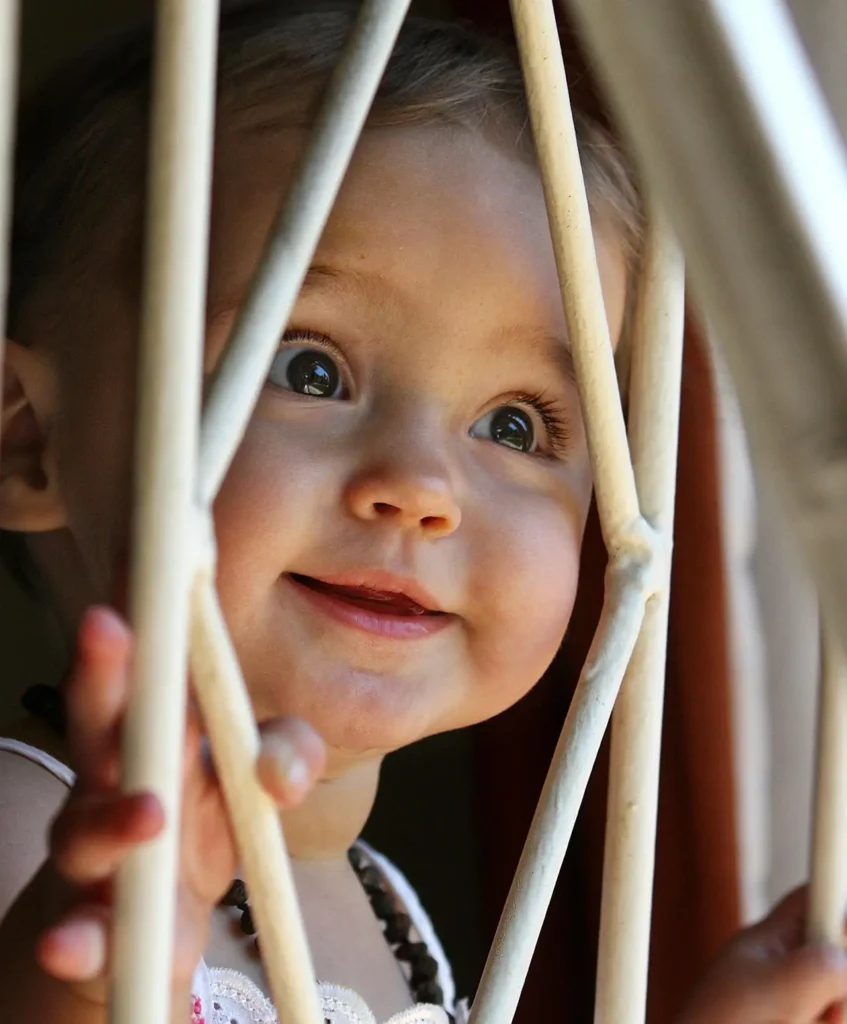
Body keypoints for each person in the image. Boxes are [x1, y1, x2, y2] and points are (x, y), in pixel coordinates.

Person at [0, 3, 844, 1022]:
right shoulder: (38, 827)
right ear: (28, 442)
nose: (423, 488)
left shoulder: (382, 903)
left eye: (515, 425)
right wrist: (83, 987)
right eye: (308, 367)